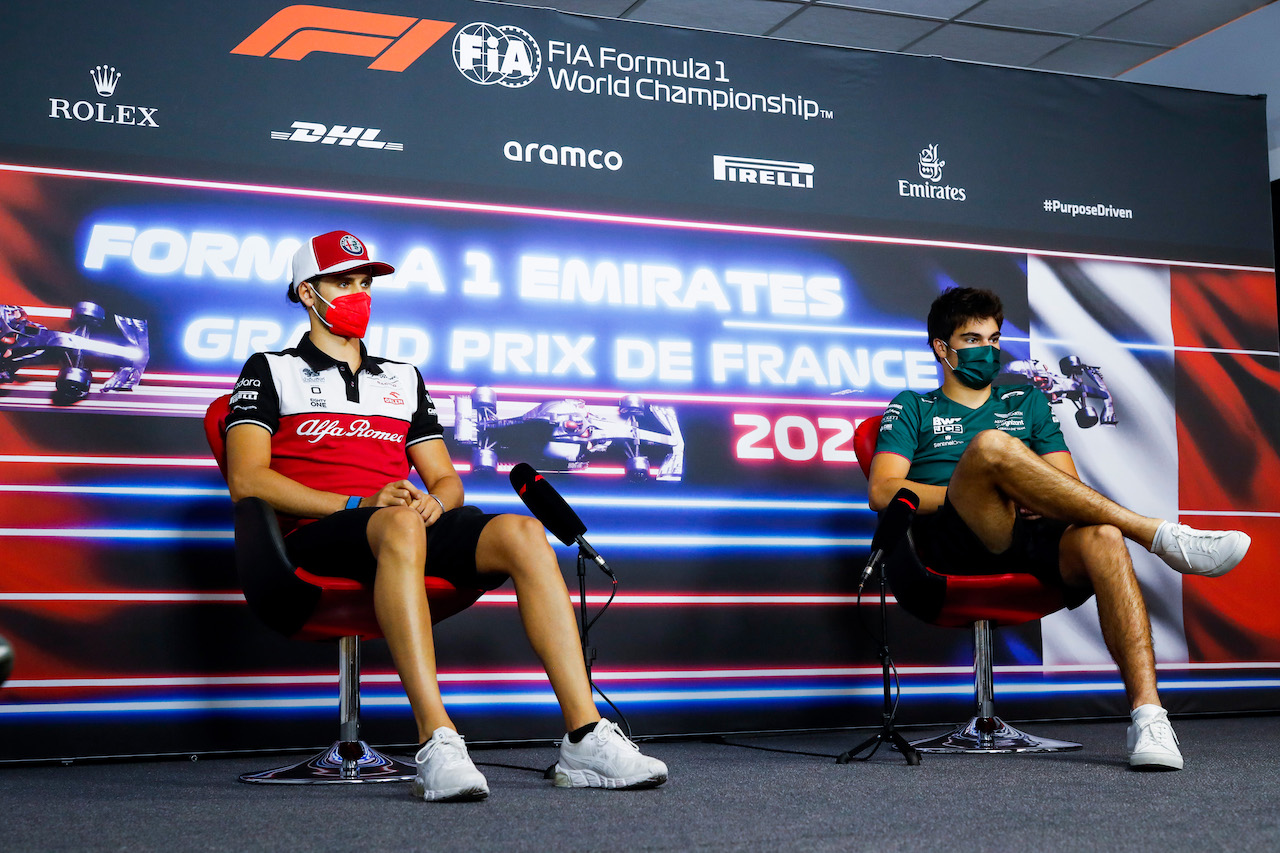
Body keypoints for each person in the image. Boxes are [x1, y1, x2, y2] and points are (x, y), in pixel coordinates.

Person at [224, 230, 667, 800]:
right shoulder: (267, 369)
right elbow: (247, 479)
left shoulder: (402, 377)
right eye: (343, 281)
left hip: (400, 525)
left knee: (522, 532)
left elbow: (445, 479)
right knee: (400, 521)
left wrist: (437, 500)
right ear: (308, 293)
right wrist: (359, 505)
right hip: (316, 534)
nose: (358, 293)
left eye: (364, 282)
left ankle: (585, 736)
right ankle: (437, 739)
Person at [868, 286, 1250, 771]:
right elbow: (883, 491)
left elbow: (1068, 489)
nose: (988, 349)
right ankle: (1156, 535)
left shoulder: (1025, 401)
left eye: (994, 337)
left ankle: (1149, 717)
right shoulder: (915, 407)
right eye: (972, 339)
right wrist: (988, 487)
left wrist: (1028, 495)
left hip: (1026, 538)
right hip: (950, 541)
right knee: (991, 447)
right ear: (942, 349)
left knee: (1104, 537)